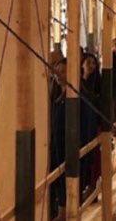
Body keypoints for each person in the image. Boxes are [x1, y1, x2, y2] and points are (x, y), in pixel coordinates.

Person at [80, 54, 101, 199]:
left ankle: (92, 188)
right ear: (82, 64)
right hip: (81, 124)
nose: (91, 66)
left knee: (93, 157)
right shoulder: (78, 83)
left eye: (93, 63)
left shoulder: (98, 82)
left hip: (93, 124)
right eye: (88, 63)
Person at [50, 59, 67, 221]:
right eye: (57, 72)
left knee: (64, 176)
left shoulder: (74, 96)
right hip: (54, 142)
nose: (59, 76)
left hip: (66, 143)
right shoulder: (54, 93)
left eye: (63, 72)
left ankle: (64, 210)